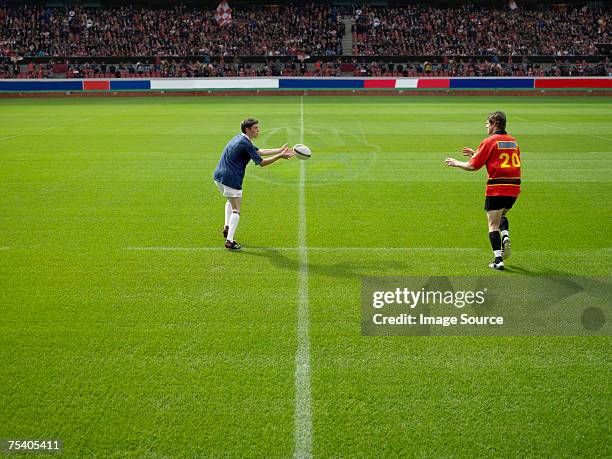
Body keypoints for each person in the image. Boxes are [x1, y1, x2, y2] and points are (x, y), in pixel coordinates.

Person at [444, 111, 521, 270]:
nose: (486, 125)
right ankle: (505, 236)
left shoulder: (489, 141)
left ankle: (498, 260)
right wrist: (475, 154)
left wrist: (456, 162)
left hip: (496, 188)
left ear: (495, 123)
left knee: (492, 224)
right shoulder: (513, 141)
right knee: (501, 216)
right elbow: (500, 159)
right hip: (514, 188)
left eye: (488, 123)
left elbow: (472, 166)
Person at [213, 118, 294, 250]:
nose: (258, 130)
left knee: (230, 201)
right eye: (255, 128)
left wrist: (279, 150)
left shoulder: (240, 138)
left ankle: (227, 227)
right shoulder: (245, 143)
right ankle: (230, 241)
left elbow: (258, 151)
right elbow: (261, 162)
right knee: (236, 210)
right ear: (247, 130)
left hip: (218, 177)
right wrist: (280, 157)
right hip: (231, 179)